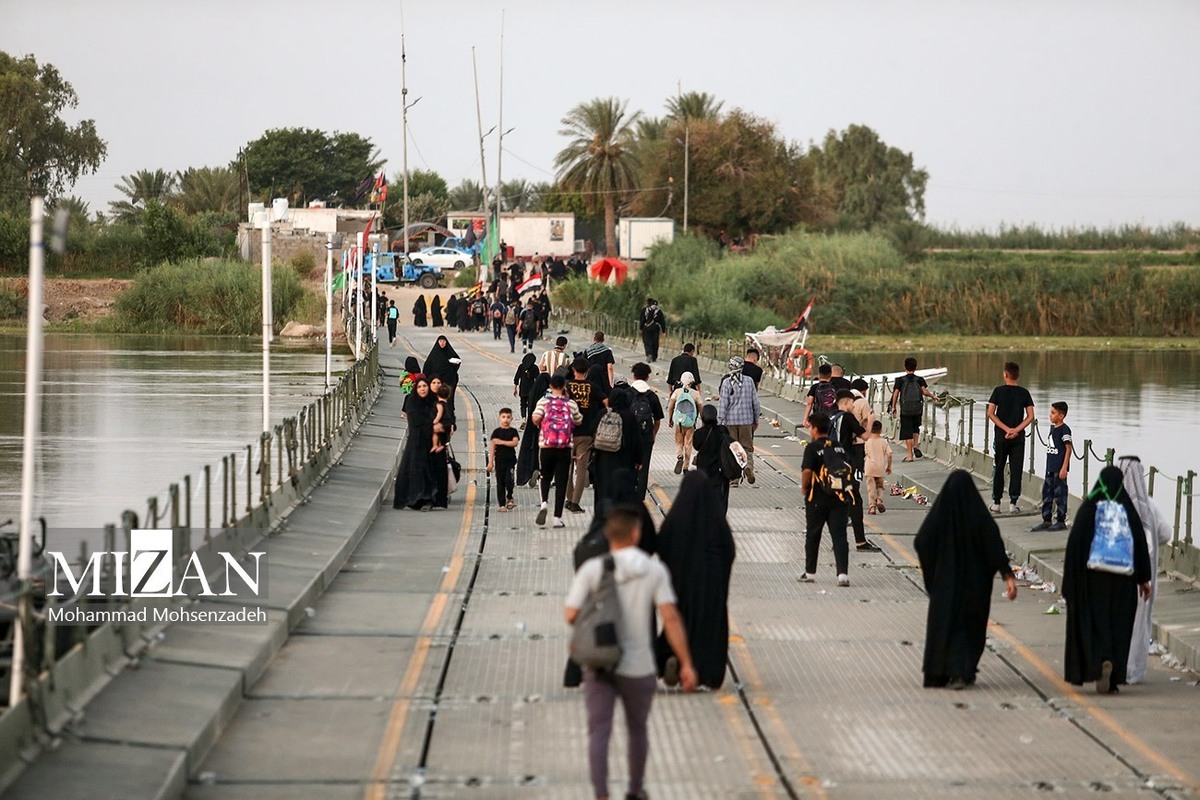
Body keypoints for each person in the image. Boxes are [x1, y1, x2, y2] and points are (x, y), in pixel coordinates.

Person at [565, 507, 697, 800]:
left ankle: (601, 794)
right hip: (639, 667)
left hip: (601, 663)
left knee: (599, 731)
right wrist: (686, 663)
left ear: (607, 535)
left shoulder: (593, 569)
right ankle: (635, 790)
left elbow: (571, 614)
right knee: (637, 731)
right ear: (636, 533)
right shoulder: (653, 570)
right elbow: (671, 617)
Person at [914, 470, 1018, 689]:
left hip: (945, 586)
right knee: (968, 627)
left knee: (945, 626)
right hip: (974, 587)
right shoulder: (979, 516)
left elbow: (922, 542)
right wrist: (1007, 575)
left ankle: (938, 673)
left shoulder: (940, 515)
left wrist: (933, 577)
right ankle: (962, 671)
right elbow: (994, 546)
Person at [1063, 466, 1152, 694]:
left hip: (1093, 580)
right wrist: (1143, 579)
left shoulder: (1089, 508)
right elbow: (1140, 545)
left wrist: (1070, 584)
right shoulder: (1128, 509)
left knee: (1095, 623)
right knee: (1119, 627)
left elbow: (1075, 546)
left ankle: (1098, 662)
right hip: (1123, 582)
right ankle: (1112, 675)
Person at [654, 471, 736, 690]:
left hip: (681, 589)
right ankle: (704, 673)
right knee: (709, 630)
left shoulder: (676, 519)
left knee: (679, 622)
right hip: (711, 593)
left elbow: (662, 546)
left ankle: (675, 658)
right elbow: (729, 551)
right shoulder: (717, 522)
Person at [1119, 456, 1172, 685]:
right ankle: (1134, 672)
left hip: (1118, 575)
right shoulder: (1149, 506)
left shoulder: (1113, 503)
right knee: (1140, 625)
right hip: (1145, 578)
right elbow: (1165, 534)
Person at [798, 413, 852, 587]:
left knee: (814, 534)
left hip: (817, 498)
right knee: (840, 536)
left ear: (814, 429)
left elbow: (807, 471)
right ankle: (842, 574)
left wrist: (804, 488)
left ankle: (810, 572)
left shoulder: (812, 448)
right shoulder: (839, 447)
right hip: (839, 497)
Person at [532, 373, 583, 528]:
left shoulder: (543, 402)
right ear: (564, 387)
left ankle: (544, 503)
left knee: (545, 476)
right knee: (561, 482)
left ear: (550, 386)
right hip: (565, 447)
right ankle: (557, 518)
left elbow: (535, 418)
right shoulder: (571, 403)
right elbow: (579, 420)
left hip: (546, 445)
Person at [832, 389, 880, 553]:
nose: (854, 405)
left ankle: (837, 541)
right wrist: (871, 421)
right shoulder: (847, 416)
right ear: (846, 402)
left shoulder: (832, 417)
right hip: (845, 465)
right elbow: (865, 436)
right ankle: (860, 542)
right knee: (855, 502)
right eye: (852, 402)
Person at [986, 361, 1035, 513]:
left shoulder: (998, 391)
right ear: (1018, 376)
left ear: (1005, 374)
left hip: (1001, 437)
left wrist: (1006, 429)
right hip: (1018, 439)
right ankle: (1013, 504)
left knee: (999, 468)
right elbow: (1030, 416)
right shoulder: (1024, 393)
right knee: (1016, 470)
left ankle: (997, 503)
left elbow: (990, 413)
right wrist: (1016, 430)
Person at [591, 387, 646, 509]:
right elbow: (637, 439)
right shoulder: (629, 416)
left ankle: (601, 516)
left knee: (602, 490)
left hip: (602, 461)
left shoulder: (603, 414)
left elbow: (593, 434)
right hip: (624, 461)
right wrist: (639, 459)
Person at [565, 357, 607, 514]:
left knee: (567, 468)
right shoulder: (592, 387)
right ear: (588, 370)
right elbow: (606, 401)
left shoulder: (567, 387)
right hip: (586, 433)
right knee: (581, 469)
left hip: (567, 433)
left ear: (573, 370)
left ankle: (568, 499)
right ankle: (576, 502)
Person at [392, 376, 437, 510]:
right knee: (416, 469)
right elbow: (417, 421)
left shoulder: (432, 401)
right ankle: (415, 498)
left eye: (425, 386)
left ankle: (427, 498)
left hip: (430, 442)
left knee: (429, 471)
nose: (423, 389)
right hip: (416, 442)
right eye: (419, 387)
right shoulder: (412, 402)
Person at [717, 356, 760, 486]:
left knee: (733, 449)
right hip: (746, 421)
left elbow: (723, 404)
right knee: (747, 447)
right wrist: (756, 418)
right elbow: (755, 402)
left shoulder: (726, 383)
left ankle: (734, 478)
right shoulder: (749, 381)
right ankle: (748, 467)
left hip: (730, 421)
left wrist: (719, 421)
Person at [1032, 401, 1074, 532]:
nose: (1050, 415)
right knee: (1047, 493)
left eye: (1053, 413)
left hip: (1059, 468)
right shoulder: (1053, 429)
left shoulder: (1064, 430)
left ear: (1061, 416)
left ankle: (1061, 520)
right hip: (1050, 467)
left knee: (1060, 494)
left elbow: (1068, 448)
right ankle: (1046, 519)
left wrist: (1064, 467)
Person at [889, 357, 937, 462]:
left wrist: (893, 407)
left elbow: (896, 394)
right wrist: (933, 396)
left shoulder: (900, 380)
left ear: (905, 367)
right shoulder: (919, 380)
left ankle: (910, 455)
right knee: (916, 428)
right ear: (915, 367)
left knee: (907, 432)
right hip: (917, 408)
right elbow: (924, 392)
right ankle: (915, 446)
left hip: (906, 409)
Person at [629, 363, 665, 500]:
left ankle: (630, 493)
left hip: (630, 438)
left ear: (634, 375)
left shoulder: (627, 394)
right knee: (644, 469)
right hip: (646, 438)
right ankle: (640, 498)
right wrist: (652, 435)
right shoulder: (652, 397)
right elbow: (657, 420)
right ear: (647, 377)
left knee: (630, 465)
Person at [692, 404, 732, 511]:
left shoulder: (699, 433)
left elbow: (696, 446)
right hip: (720, 470)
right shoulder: (723, 430)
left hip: (704, 471)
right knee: (721, 498)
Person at [666, 371, 700, 475]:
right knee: (688, 444)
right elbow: (701, 408)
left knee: (679, 442)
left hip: (678, 421)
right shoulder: (695, 393)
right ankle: (686, 467)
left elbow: (671, 406)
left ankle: (679, 455)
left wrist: (670, 419)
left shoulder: (677, 391)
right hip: (690, 422)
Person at [488, 408, 520, 511]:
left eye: (508, 417)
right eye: (503, 417)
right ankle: (501, 504)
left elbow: (514, 443)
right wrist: (490, 462)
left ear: (511, 418)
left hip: (510, 460)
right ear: (499, 418)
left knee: (509, 480)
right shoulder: (496, 432)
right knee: (500, 482)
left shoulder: (513, 431)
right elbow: (493, 446)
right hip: (499, 460)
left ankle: (510, 496)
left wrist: (501, 442)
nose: (506, 419)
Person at [423, 335, 462, 405]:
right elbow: (427, 368)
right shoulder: (434, 355)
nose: (442, 343)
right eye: (440, 341)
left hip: (449, 381)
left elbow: (457, 362)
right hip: (437, 382)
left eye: (443, 341)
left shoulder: (450, 353)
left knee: (448, 399)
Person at [864, 420, 892, 515]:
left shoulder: (867, 441)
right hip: (880, 467)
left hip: (869, 467)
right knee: (880, 486)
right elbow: (889, 454)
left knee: (871, 488)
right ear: (881, 430)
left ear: (871, 430)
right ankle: (879, 500)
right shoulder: (884, 441)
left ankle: (872, 508)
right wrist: (889, 466)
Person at [803, 364, 838, 431]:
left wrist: (805, 419)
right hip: (831, 416)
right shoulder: (834, 386)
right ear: (830, 374)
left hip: (818, 416)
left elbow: (809, 403)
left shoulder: (815, 387)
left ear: (819, 374)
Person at [639, 297, 667, 362]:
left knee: (647, 342)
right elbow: (662, 321)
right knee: (655, 342)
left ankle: (649, 354)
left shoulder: (645, 310)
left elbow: (642, 319)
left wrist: (640, 328)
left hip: (646, 328)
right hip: (655, 328)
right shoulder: (659, 311)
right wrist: (663, 331)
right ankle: (654, 357)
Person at [513, 352, 539, 420]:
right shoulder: (535, 368)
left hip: (523, 389)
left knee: (523, 404)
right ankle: (530, 419)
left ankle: (523, 418)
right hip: (532, 389)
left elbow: (516, 378)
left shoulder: (521, 366)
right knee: (531, 405)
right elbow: (537, 379)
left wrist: (515, 389)